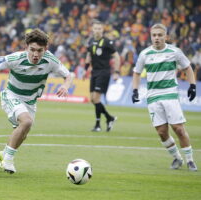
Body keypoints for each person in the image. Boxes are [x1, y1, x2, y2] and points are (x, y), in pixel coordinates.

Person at [0, 28, 73, 174]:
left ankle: (4, 154)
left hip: (30, 101)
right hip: (12, 96)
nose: (35, 54)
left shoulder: (51, 60)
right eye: (32, 49)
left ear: (46, 49)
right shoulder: (16, 58)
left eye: (40, 50)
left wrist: (65, 85)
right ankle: (8, 161)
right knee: (26, 122)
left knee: (22, 134)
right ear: (26, 47)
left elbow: (68, 75)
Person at [132, 23, 197, 171]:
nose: (156, 38)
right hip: (153, 96)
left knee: (178, 129)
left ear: (165, 37)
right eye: (154, 35)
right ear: (151, 36)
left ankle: (190, 160)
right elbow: (136, 72)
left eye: (160, 35)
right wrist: (135, 90)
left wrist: (192, 86)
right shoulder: (144, 54)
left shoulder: (175, 52)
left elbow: (187, 67)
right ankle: (177, 158)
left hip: (170, 94)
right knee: (162, 132)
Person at [84, 20, 120, 132]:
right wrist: (85, 69)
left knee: (96, 98)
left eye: (99, 28)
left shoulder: (107, 42)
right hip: (94, 72)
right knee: (92, 99)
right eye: (95, 28)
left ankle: (100, 123)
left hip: (104, 73)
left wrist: (116, 72)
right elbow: (89, 54)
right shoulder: (91, 42)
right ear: (92, 29)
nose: (97, 30)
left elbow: (117, 56)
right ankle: (107, 119)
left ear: (102, 30)